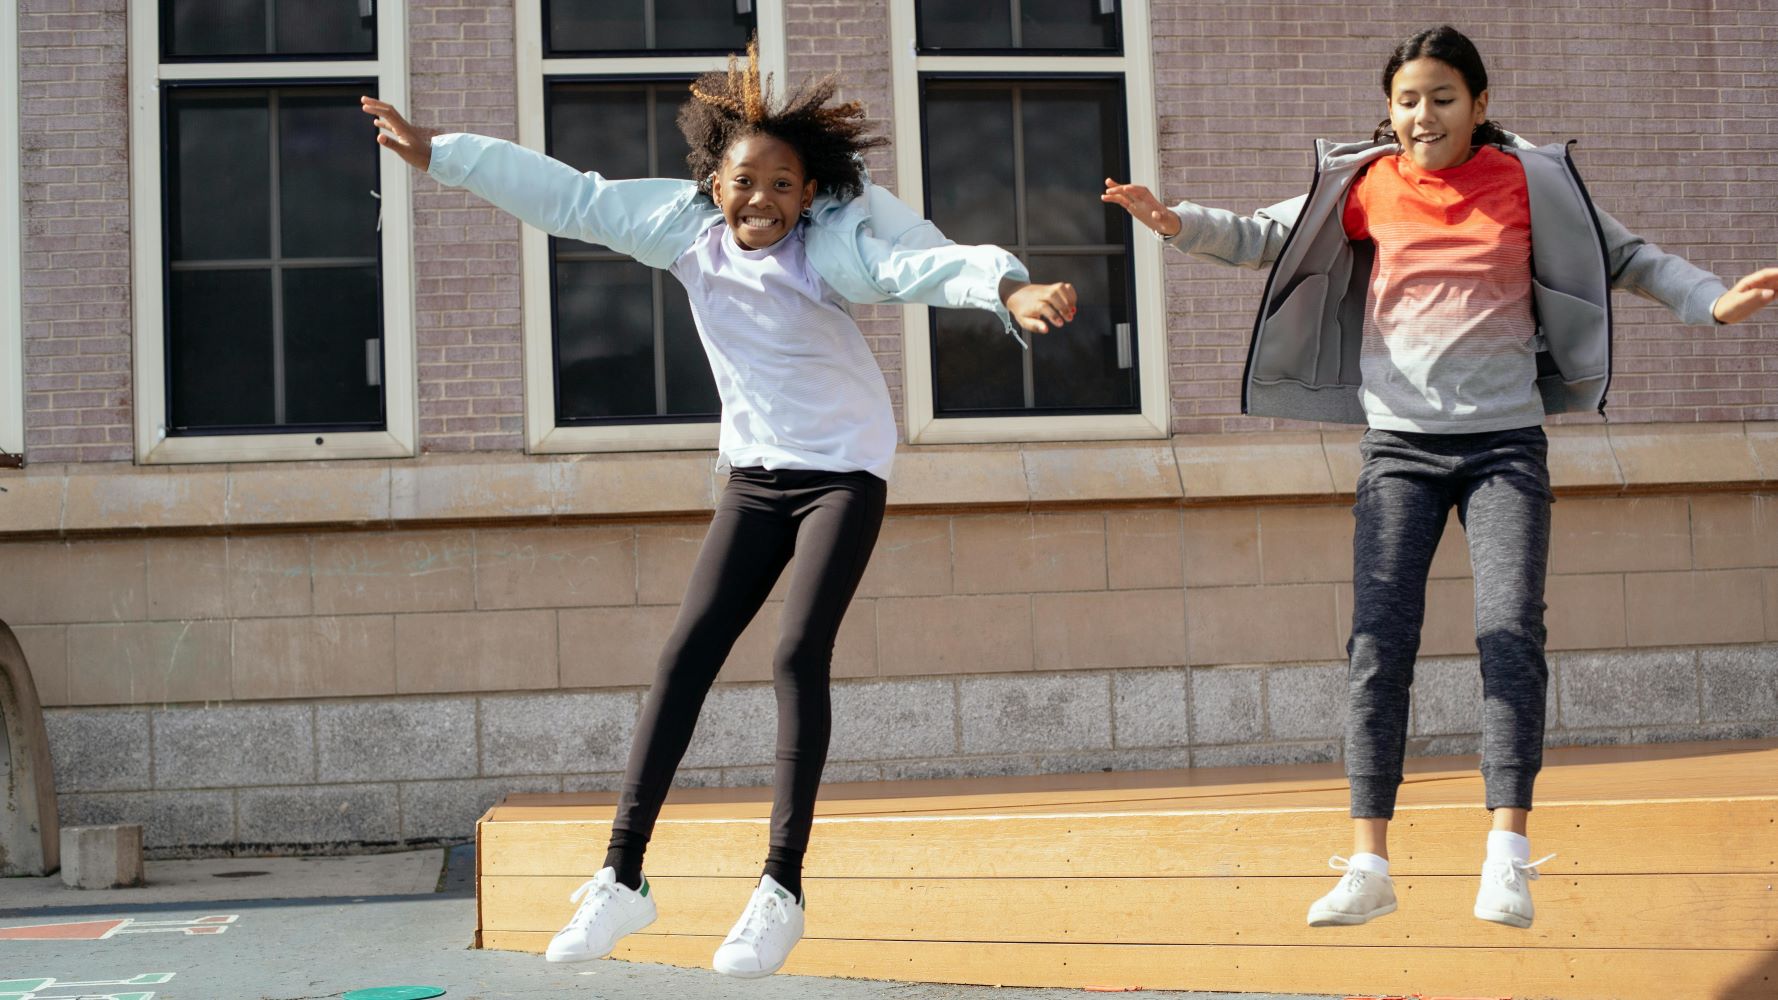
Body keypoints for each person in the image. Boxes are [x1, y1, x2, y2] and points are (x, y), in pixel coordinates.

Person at [364, 41, 1073, 978]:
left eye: (784, 185)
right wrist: (441, 156)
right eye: (746, 181)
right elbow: (572, 197)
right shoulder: (683, 229)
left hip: (842, 476)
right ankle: (621, 878)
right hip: (753, 476)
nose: (761, 202)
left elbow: (919, 269)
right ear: (715, 181)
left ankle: (780, 888)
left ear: (810, 194)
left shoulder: (833, 250)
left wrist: (1006, 288)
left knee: (793, 652)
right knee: (684, 655)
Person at [1103, 24, 1776, 931]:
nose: (1424, 115)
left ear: (1481, 104)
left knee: (1508, 631)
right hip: (1399, 451)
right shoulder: (1368, 183)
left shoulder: (1534, 180)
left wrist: (1713, 299)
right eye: (1408, 100)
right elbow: (1269, 234)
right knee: (1378, 647)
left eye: (1443, 98)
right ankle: (1370, 863)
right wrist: (1176, 222)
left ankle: (1506, 854)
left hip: (1504, 446)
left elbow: (1630, 257)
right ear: (1389, 111)